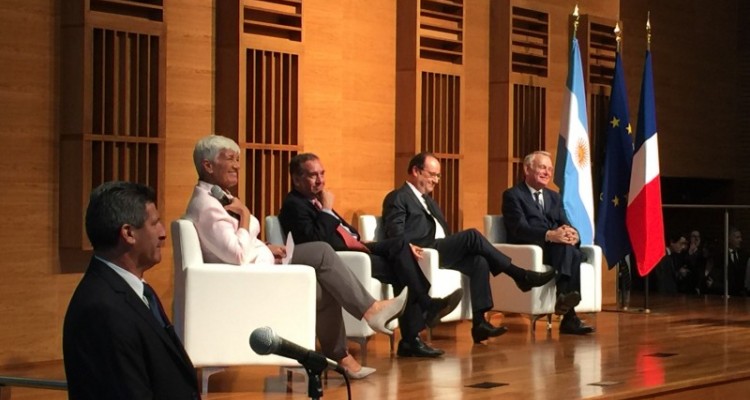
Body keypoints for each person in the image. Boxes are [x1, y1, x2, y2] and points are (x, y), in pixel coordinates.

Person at [184, 135, 406, 379]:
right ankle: (371, 311)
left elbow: (232, 242)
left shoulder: (217, 198)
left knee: (325, 288)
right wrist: (246, 215)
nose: (237, 165)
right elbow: (237, 254)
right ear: (208, 166)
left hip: (262, 265)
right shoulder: (207, 205)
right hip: (249, 279)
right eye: (230, 159)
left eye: (238, 159)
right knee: (321, 251)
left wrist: (265, 246)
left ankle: (341, 357)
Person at [279, 153, 462, 358]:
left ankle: (420, 323)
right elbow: (317, 241)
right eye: (313, 175)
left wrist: (362, 240)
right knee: (403, 267)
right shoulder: (293, 205)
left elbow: (345, 232)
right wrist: (327, 210)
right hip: (342, 258)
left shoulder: (316, 200)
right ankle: (420, 321)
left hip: (357, 246)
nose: (321, 180)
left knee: (401, 247)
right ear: (296, 179)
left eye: (322, 173)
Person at [382, 152, 556, 343]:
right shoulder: (398, 197)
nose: (436, 180)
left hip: (439, 250)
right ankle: (518, 274)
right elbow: (395, 234)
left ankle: (480, 323)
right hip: (423, 251)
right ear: (415, 171)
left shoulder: (429, 202)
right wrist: (408, 246)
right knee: (472, 235)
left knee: (478, 261)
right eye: (432, 174)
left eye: (438, 176)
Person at [63, 181, 201, 399]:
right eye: (155, 223)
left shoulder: (136, 291)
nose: (163, 233)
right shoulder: (102, 310)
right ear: (128, 233)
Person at [501, 150, 594, 335]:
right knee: (572, 253)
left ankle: (564, 299)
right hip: (531, 249)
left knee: (571, 250)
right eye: (542, 167)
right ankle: (569, 316)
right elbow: (518, 228)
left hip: (556, 249)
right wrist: (549, 235)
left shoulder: (554, 197)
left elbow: (565, 223)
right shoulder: (513, 195)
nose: (547, 173)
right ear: (527, 169)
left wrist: (574, 235)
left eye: (550, 169)